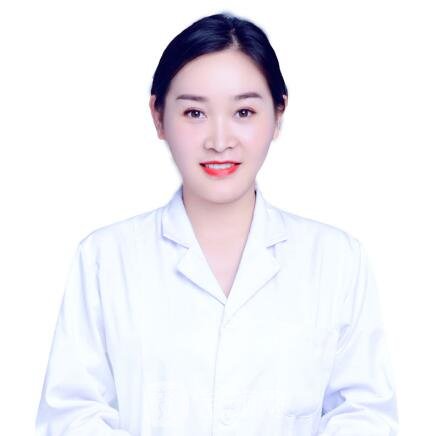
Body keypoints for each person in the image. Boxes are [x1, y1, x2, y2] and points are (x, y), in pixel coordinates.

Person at [35, 11, 399, 436]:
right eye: (194, 113)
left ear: (279, 113)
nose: (220, 140)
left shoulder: (337, 260)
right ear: (158, 116)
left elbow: (364, 416)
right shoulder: (104, 259)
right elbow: (72, 415)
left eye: (244, 111)